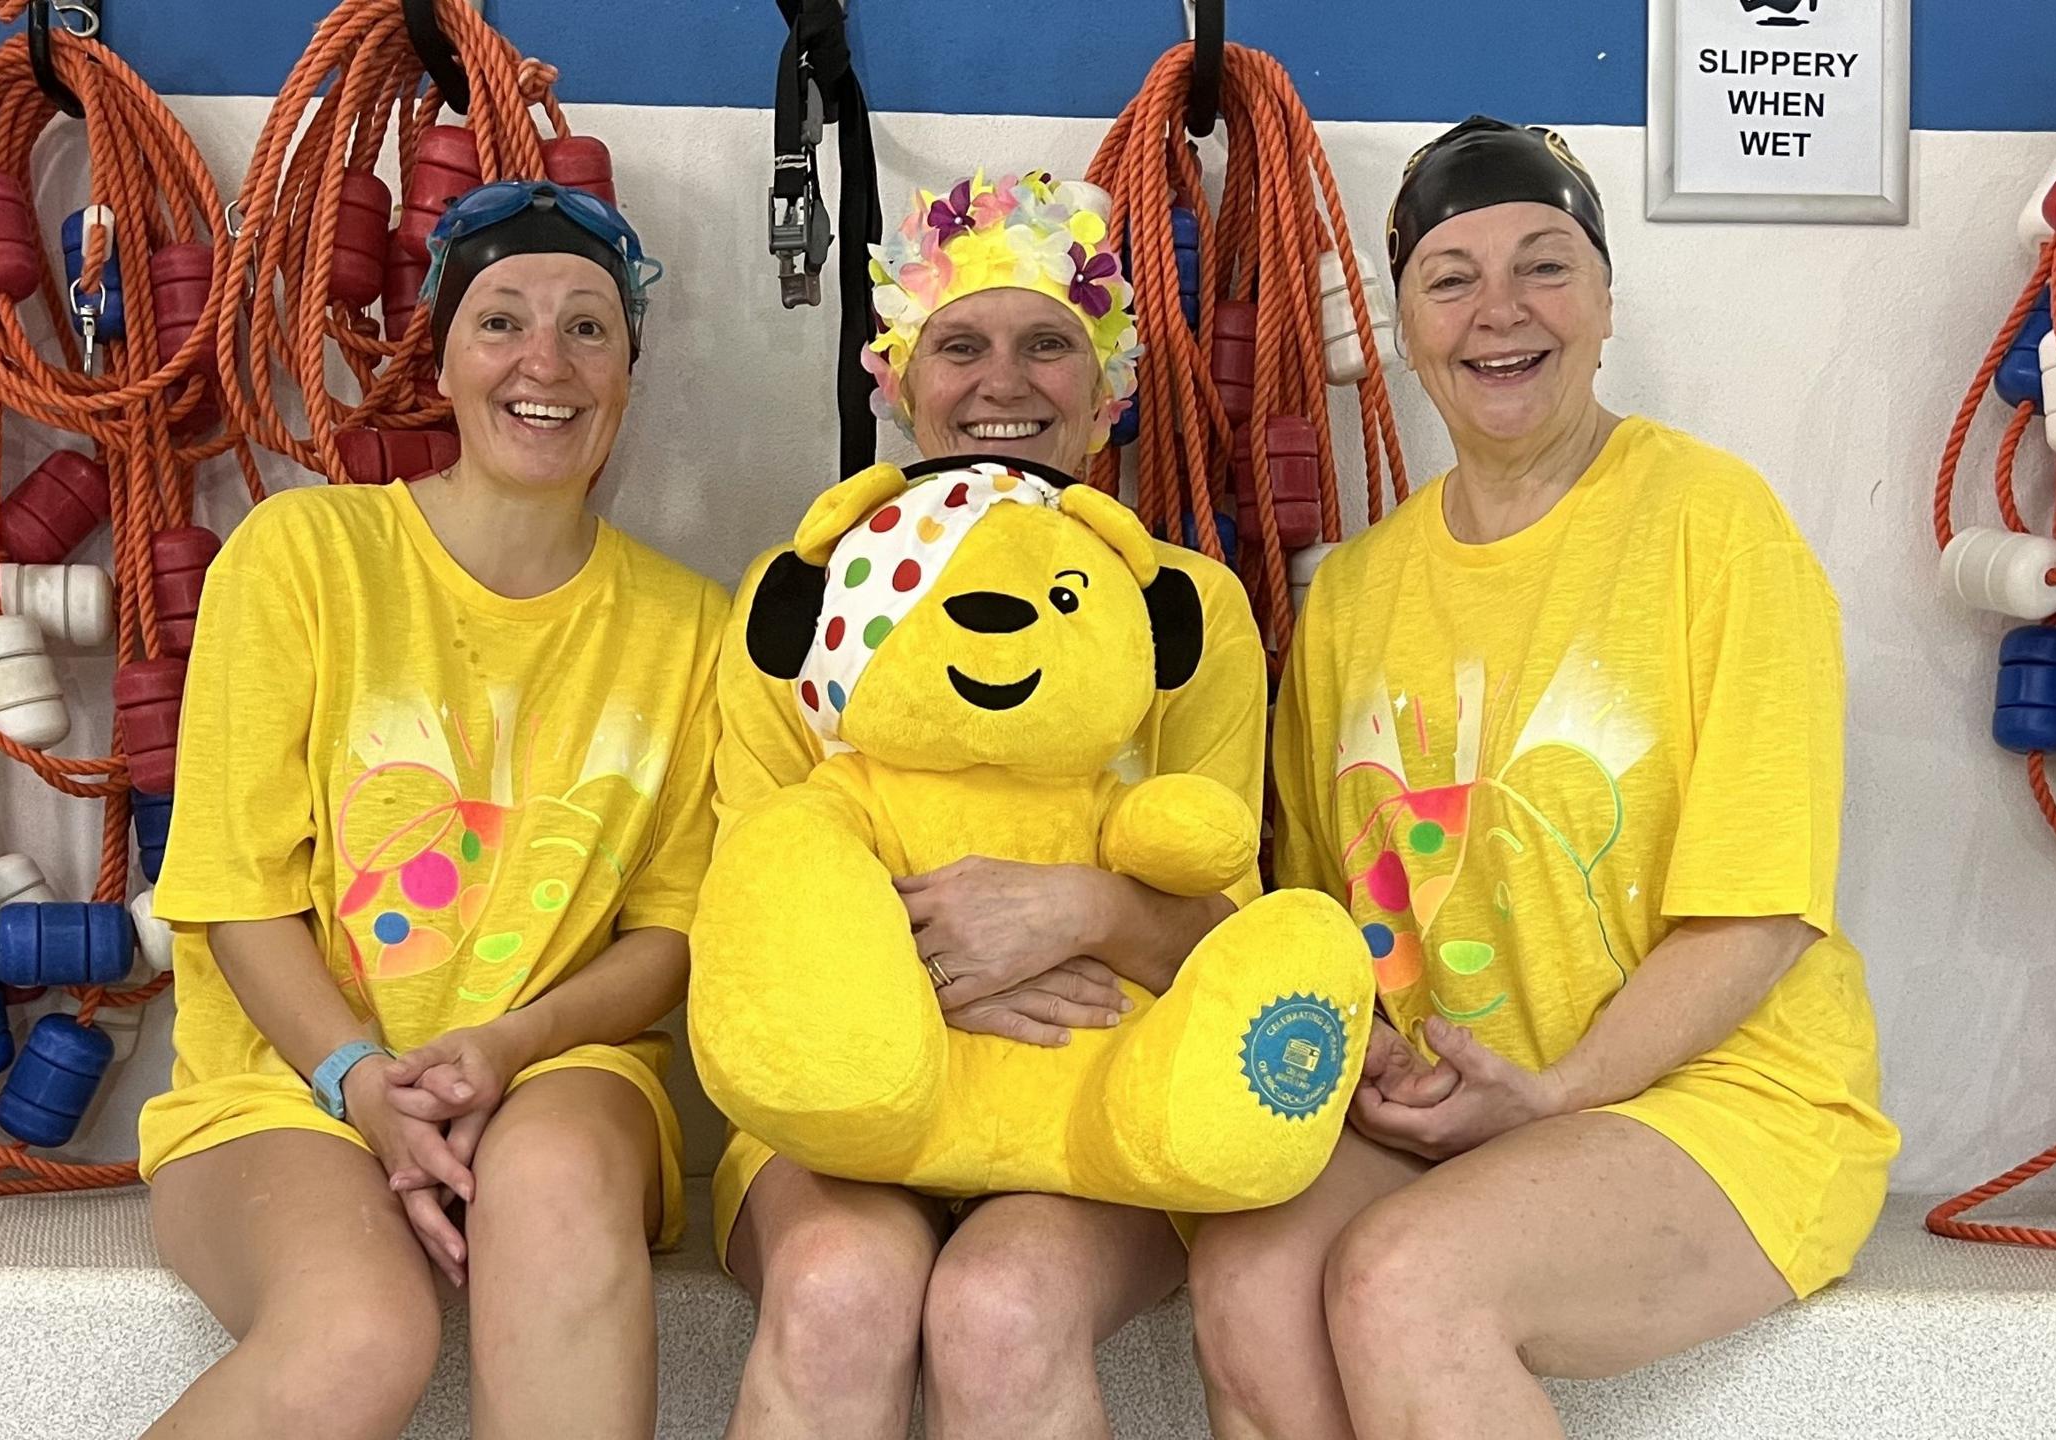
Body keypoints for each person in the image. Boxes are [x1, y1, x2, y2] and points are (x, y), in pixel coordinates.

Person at [1187, 118, 1901, 1439]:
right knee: (1245, 1275)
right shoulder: (1352, 595)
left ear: (1607, 299)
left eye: (1545, 265)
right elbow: (1337, 917)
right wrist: (1370, 1073)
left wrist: (1558, 1092)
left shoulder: (1713, 525)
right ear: (1402, 325)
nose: (1498, 311)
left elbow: (1757, 912)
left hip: (1721, 1102)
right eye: (1449, 278)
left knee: (1408, 1281)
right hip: (1455, 1114)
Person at [135, 181, 726, 1440]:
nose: (544, 360)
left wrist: (510, 1048)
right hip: (286, 1092)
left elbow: (671, 934)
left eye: (588, 328)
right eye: (501, 321)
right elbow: (233, 886)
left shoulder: (693, 628)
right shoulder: (302, 556)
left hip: (560, 1067)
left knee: (559, 1182)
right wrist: (359, 1081)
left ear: (628, 373)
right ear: (444, 363)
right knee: (362, 1334)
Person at [707, 169, 1268, 1440]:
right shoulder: (791, 599)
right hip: (836, 1102)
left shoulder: (1187, 609)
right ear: (900, 382)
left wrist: (1075, 910)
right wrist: (952, 961)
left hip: (1095, 1099)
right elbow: (758, 914)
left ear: (1107, 386)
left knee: (1003, 1309)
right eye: (959, 345)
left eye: (1046, 346)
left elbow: (1228, 939)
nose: (1000, 383)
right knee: (840, 1290)